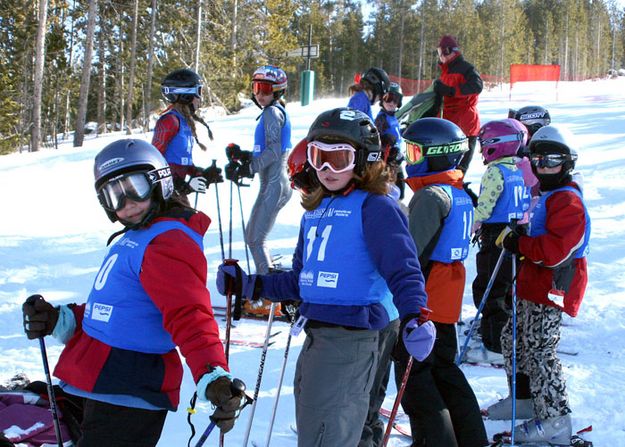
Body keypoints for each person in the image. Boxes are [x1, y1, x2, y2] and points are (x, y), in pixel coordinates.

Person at [217, 108, 436, 447]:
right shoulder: (316, 211)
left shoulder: (376, 207)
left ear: (364, 160)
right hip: (320, 335)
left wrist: (414, 315)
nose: (327, 170)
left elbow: (403, 268)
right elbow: (300, 281)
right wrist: (250, 284)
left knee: (328, 431)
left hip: (352, 337)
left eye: (340, 158)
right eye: (319, 158)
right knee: (342, 425)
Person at [21, 139, 244, 446]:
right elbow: (121, 306)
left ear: (159, 181)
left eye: (134, 187)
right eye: (114, 194)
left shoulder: (168, 242)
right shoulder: (137, 237)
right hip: (101, 380)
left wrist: (212, 373)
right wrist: (60, 319)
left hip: (128, 390)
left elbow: (190, 314)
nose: (126, 202)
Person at [491, 124, 590, 445]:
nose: (543, 167)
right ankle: (524, 398)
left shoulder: (567, 201)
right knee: (513, 341)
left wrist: (520, 244)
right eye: (537, 161)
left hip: (552, 289)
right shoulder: (545, 195)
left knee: (539, 351)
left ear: (568, 163)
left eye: (552, 161)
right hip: (530, 286)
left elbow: (554, 251)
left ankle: (556, 418)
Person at [397, 117, 489, 447]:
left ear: (436, 154)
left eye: (415, 152)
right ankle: (470, 437)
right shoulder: (459, 192)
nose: (409, 160)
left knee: (416, 381)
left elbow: (410, 254)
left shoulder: (431, 196)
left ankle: (435, 441)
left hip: (424, 302)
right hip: (446, 300)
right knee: (446, 373)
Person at [224, 65, 293, 317]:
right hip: (272, 184)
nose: (259, 95)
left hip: (275, 184)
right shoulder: (271, 112)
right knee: (254, 237)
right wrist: (245, 157)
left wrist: (249, 167)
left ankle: (269, 296)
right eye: (256, 89)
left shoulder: (271, 113)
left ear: (277, 91)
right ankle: (269, 290)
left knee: (255, 239)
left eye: (265, 89)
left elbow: (274, 151)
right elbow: (266, 148)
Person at [469, 119, 530, 362]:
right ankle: (507, 333)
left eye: (485, 144)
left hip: (497, 235)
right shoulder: (520, 168)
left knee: (489, 285)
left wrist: (474, 222)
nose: (483, 149)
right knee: (507, 285)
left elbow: (486, 204)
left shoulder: (495, 170)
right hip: (517, 232)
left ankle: (495, 343)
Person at [152, 68, 223, 206]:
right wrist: (181, 185)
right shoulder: (170, 121)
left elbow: (181, 161)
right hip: (166, 196)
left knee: (191, 224)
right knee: (186, 225)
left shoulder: (183, 121)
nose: (199, 98)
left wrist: (201, 174)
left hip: (177, 193)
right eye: (198, 92)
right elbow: (154, 161)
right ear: (186, 95)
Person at [431, 35, 483, 173]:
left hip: (465, 125)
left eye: (442, 52)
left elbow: (476, 86)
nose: (440, 56)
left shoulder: (465, 68)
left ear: (449, 51)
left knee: (459, 169)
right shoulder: (445, 73)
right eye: (438, 53)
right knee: (445, 169)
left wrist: (452, 91)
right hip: (448, 126)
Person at [375, 81, 406, 203]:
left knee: (401, 189)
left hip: (396, 159)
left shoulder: (393, 117)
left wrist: (404, 131)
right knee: (390, 188)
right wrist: (384, 140)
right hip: (387, 160)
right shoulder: (381, 118)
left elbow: (395, 134)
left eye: (395, 100)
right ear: (382, 100)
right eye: (388, 99)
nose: (391, 103)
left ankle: (397, 205)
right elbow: (375, 137)